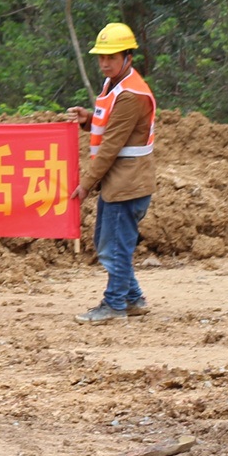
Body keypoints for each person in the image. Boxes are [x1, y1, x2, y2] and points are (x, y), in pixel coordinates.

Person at [67, 22, 158, 324]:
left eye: (112, 57)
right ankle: (133, 298)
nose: (105, 63)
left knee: (116, 247)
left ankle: (114, 304)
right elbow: (112, 126)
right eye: (102, 57)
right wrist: (88, 120)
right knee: (111, 244)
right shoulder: (117, 85)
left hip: (127, 184)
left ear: (128, 57)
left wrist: (85, 184)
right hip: (120, 182)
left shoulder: (131, 94)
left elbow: (111, 146)